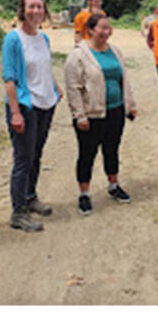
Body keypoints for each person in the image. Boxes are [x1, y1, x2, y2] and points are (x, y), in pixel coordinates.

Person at [64, 14, 138, 215]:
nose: (107, 32)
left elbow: (124, 80)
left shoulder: (115, 51)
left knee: (112, 149)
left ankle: (113, 185)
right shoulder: (78, 55)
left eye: (109, 28)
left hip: (115, 110)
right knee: (87, 154)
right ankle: (84, 195)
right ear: (90, 30)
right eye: (102, 28)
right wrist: (79, 115)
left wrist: (130, 104)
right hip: (92, 114)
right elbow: (73, 88)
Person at [2, 0, 62, 232]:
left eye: (40, 7)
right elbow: (9, 78)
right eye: (31, 7)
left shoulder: (43, 38)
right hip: (26, 106)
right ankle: (18, 212)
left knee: (36, 154)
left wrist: (55, 87)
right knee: (23, 159)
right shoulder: (13, 39)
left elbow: (44, 67)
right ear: (22, 10)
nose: (36, 11)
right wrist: (15, 112)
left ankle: (30, 195)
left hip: (46, 103)